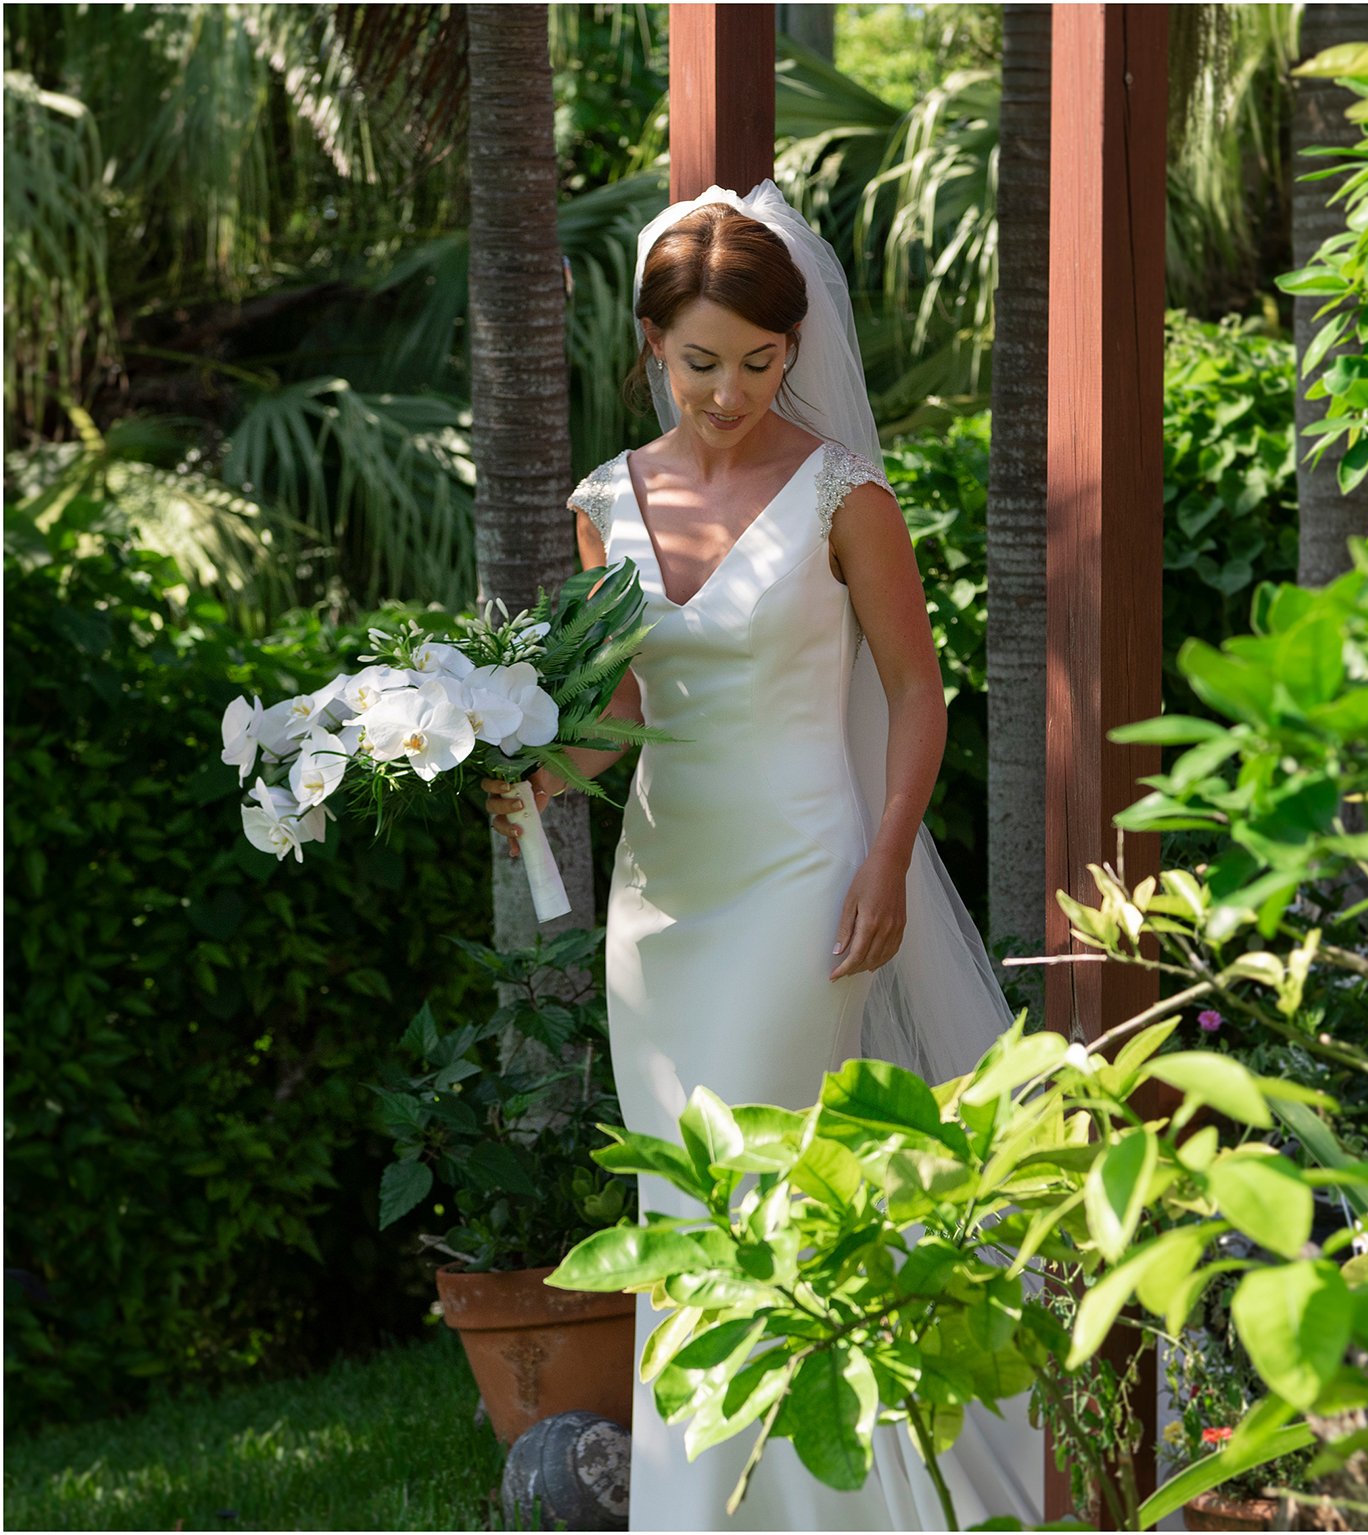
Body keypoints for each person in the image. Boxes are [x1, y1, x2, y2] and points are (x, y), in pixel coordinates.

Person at [480, 177, 1042, 1532]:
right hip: (662, 908)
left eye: (760, 362)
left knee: (784, 1190)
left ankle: (861, 1505)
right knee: (687, 1212)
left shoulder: (846, 492)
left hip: (809, 879)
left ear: (796, 353)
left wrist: (886, 860)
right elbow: (621, 715)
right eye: (699, 363)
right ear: (650, 348)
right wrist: (524, 775)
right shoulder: (605, 501)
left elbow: (918, 692)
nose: (729, 391)